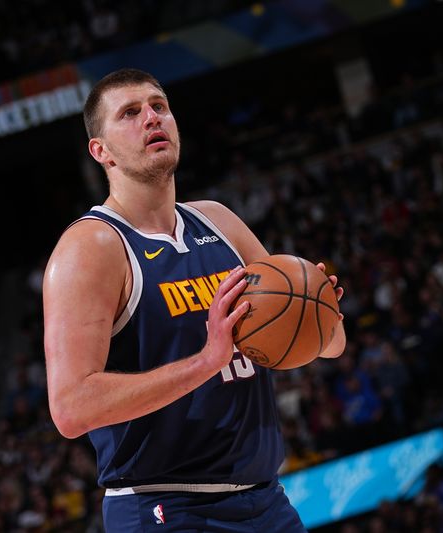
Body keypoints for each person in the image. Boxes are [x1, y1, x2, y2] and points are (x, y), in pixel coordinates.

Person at [42, 68, 346, 532]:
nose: (151, 118)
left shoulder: (219, 221)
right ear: (100, 151)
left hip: (265, 500)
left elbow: (330, 345)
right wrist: (206, 361)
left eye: (159, 106)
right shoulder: (92, 248)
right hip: (163, 508)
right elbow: (71, 407)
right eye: (129, 113)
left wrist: (318, 310)